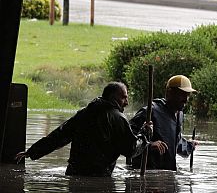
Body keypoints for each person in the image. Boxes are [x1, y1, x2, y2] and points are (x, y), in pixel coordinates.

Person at [15, 82, 146, 176]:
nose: (127, 102)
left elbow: (60, 136)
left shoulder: (85, 113)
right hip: (99, 178)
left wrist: (32, 152)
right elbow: (131, 149)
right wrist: (145, 134)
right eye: (124, 97)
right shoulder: (118, 118)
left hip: (74, 173)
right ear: (113, 97)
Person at [129, 74, 197, 171]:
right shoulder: (150, 111)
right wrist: (150, 144)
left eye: (187, 95)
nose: (185, 99)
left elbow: (174, 142)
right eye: (182, 94)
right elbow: (128, 138)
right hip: (149, 173)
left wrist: (189, 146)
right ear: (170, 93)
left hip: (167, 174)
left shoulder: (179, 114)